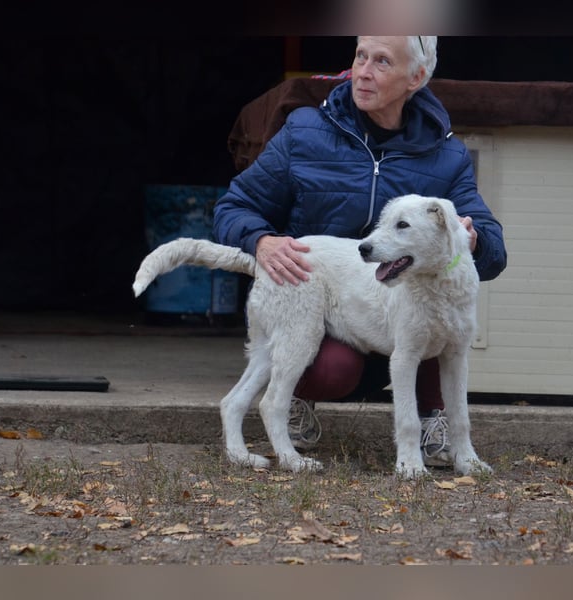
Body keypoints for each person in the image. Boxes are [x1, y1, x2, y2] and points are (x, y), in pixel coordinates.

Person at [213, 36, 507, 467]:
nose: (363, 72)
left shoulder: (446, 156)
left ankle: (433, 422)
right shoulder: (305, 132)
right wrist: (261, 240)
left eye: (382, 61)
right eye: (360, 56)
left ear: (416, 77)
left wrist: (472, 237)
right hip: (333, 309)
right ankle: (294, 397)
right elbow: (233, 207)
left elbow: (493, 250)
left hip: (404, 317)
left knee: (432, 310)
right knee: (328, 369)